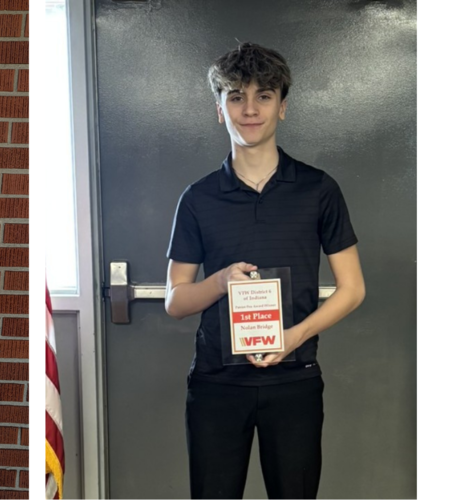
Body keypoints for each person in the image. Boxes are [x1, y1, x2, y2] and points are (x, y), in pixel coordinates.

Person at [165, 42, 366, 499]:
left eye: (264, 96)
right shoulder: (198, 198)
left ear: (283, 107)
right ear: (220, 110)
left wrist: (295, 336)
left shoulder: (318, 189)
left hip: (294, 379)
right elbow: (176, 300)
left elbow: (352, 289)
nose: (249, 109)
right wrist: (218, 282)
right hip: (216, 384)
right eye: (236, 96)